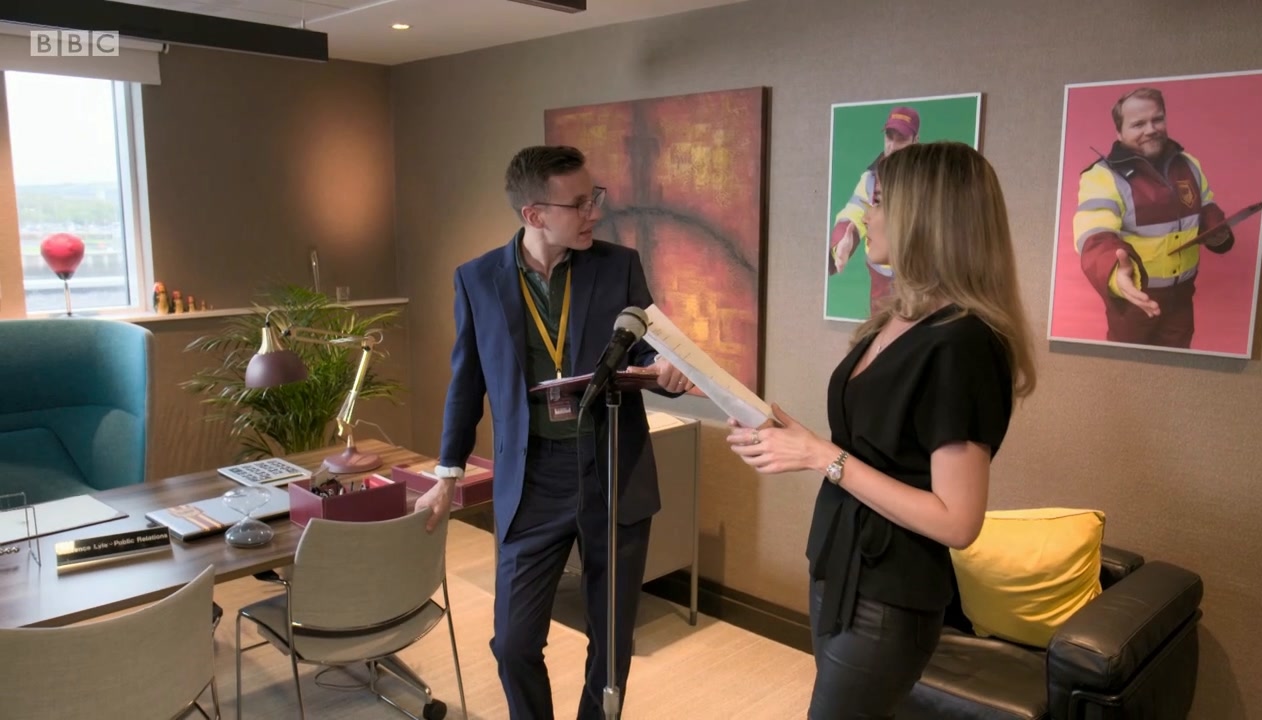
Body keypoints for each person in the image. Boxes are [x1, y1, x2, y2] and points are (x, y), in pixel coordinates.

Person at [730, 141, 1036, 718]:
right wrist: (788, 436)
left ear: (925, 216)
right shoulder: (899, 316)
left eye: (879, 202)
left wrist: (821, 456)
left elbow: (958, 521)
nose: (867, 215)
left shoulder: (964, 343)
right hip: (836, 563)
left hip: (889, 595)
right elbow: (873, 443)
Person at [414, 145, 691, 720]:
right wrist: (447, 474)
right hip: (532, 480)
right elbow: (467, 383)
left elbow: (647, 348)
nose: (595, 213)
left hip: (611, 469)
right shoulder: (477, 280)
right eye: (580, 204)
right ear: (534, 214)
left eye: (594, 199)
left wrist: (668, 367)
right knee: (513, 644)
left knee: (610, 647)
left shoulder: (619, 266)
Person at [1073, 86, 1234, 348]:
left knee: (1177, 367)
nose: (1151, 129)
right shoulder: (1101, 176)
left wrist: (1217, 230)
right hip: (1134, 300)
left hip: (1182, 298)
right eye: (1138, 124)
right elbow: (1094, 235)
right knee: (1127, 369)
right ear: (1119, 132)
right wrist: (1115, 274)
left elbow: (1205, 205)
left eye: (1157, 119)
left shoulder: (1189, 164)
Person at [828, 106, 920, 314]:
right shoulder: (870, 179)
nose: (892, 146)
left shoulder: (929, 181)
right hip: (881, 276)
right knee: (878, 326)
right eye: (889, 136)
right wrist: (841, 242)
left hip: (916, 276)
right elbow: (854, 211)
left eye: (901, 139)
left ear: (915, 140)